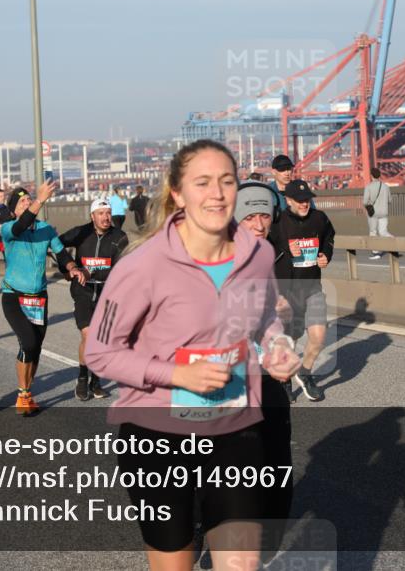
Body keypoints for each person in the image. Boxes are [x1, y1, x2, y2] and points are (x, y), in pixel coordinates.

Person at [84, 139, 299, 571]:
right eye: (202, 182)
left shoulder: (256, 254)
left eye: (226, 181)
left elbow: (261, 319)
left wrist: (277, 346)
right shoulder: (141, 265)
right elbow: (100, 352)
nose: (217, 193)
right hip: (157, 435)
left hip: (235, 428)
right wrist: (177, 375)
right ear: (178, 194)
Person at [234, 181, 296, 555]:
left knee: (276, 460)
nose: (259, 224)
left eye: (264, 216)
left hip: (266, 374)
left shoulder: (267, 254)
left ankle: (268, 538)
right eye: (250, 216)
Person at [0, 181, 79, 415]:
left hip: (38, 299)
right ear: (14, 210)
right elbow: (21, 225)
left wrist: (72, 267)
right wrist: (40, 200)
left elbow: (61, 253)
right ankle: (22, 395)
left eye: (29, 200)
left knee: (36, 348)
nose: (27, 204)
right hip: (14, 296)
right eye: (22, 202)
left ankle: (28, 392)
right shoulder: (8, 228)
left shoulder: (45, 228)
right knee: (28, 342)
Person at [268, 179, 336, 402]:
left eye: (307, 199)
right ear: (288, 200)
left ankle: (305, 374)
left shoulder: (319, 218)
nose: (304, 203)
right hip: (287, 291)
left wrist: (326, 254)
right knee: (290, 339)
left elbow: (329, 237)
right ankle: (283, 379)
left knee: (318, 337)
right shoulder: (277, 223)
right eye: (299, 201)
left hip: (313, 287)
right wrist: (285, 249)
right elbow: (265, 252)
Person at [58, 198, 128, 401]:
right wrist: (68, 268)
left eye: (108, 213)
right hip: (83, 292)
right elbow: (57, 245)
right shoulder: (81, 232)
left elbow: (121, 269)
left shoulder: (119, 237)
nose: (106, 217)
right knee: (89, 336)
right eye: (101, 213)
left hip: (108, 294)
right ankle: (82, 378)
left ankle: (95, 381)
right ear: (92, 216)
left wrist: (94, 273)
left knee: (101, 340)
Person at [363, 167, 393, 259]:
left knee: (373, 232)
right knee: (383, 231)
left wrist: (369, 205)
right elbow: (390, 200)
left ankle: (376, 253)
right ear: (379, 176)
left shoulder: (368, 187)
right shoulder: (386, 187)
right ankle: (394, 242)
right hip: (384, 212)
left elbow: (365, 202)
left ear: (371, 176)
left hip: (373, 214)